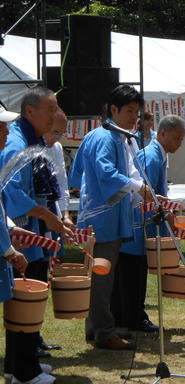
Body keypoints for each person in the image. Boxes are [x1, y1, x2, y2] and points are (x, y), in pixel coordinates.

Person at [69, 85, 158, 350]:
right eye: (130, 111)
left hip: (103, 214)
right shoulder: (106, 137)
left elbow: (78, 176)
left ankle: (97, 328)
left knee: (100, 276)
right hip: (102, 219)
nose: (135, 117)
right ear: (114, 110)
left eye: (137, 112)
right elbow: (106, 172)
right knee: (102, 278)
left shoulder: (111, 136)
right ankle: (104, 332)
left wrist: (136, 191)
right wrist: (136, 188)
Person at [0, 87, 73, 358]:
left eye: (56, 109)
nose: (55, 116)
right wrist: (48, 217)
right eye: (51, 110)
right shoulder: (17, 145)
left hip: (36, 229)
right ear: (30, 111)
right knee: (26, 293)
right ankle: (22, 361)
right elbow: (12, 193)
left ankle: (30, 350)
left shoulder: (35, 141)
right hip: (22, 232)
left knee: (36, 284)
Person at [111, 114, 185, 332]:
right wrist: (169, 215)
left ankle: (128, 316)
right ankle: (133, 317)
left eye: (182, 138)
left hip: (142, 224)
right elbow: (147, 194)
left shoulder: (158, 155)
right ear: (162, 133)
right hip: (138, 224)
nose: (180, 143)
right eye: (177, 138)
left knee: (134, 273)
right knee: (132, 273)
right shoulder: (152, 157)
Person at [0, 106, 54, 384]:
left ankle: (16, 366)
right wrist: (9, 248)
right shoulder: (16, 148)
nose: (6, 133)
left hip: (15, 237)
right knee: (20, 307)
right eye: (0, 127)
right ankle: (22, 371)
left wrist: (10, 228)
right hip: (12, 247)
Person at [43, 108, 74, 231]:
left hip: (53, 210)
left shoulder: (56, 147)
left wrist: (65, 215)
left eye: (61, 134)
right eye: (55, 132)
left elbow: (61, 183)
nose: (57, 138)